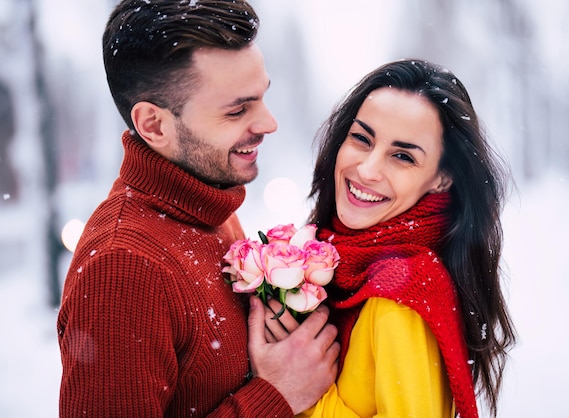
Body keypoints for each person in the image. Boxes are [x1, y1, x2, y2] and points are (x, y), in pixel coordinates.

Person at [56, 1, 339, 417]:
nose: (269, 123)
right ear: (154, 125)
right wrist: (273, 398)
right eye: (237, 109)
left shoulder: (208, 204)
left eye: (262, 97)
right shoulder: (123, 269)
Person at [268, 58, 516, 417]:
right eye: (361, 139)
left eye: (402, 156)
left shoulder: (401, 296)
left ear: (441, 179)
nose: (367, 169)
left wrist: (288, 391)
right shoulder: (340, 259)